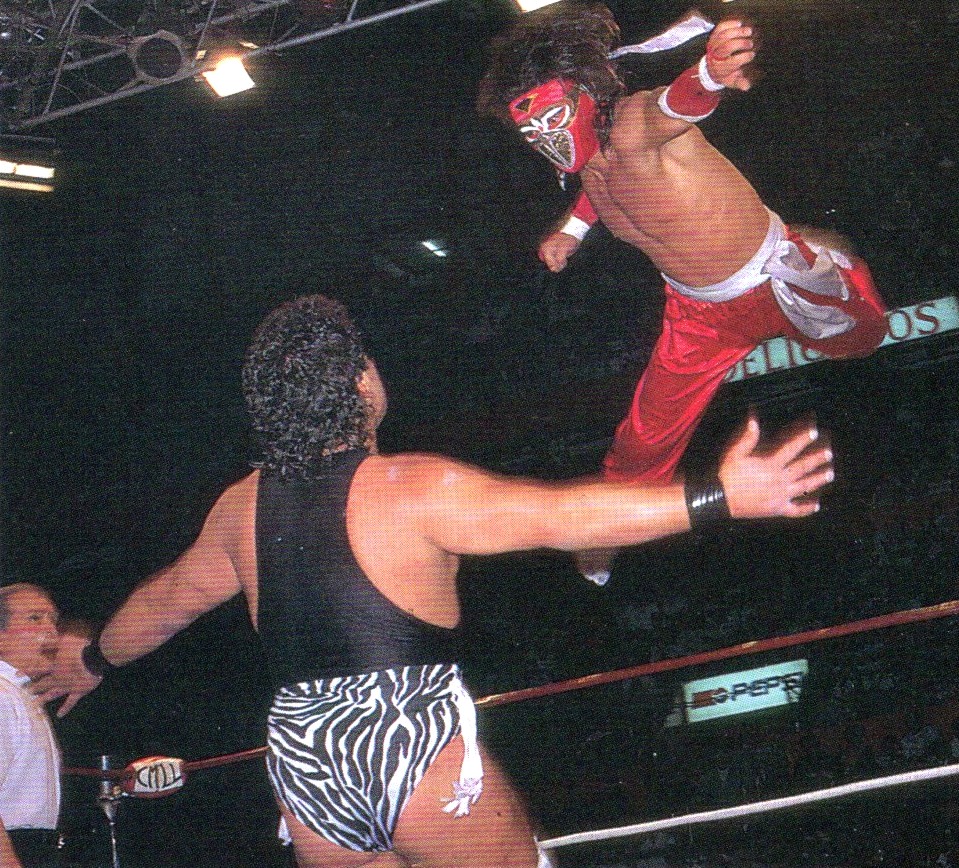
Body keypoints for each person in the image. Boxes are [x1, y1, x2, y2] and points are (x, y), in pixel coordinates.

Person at [36, 295, 834, 868]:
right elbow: (561, 517)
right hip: (407, 738)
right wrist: (719, 496)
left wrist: (94, 659)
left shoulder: (239, 508)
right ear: (360, 382)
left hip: (305, 758)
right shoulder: (408, 487)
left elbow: (165, 603)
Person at [476, 2, 887, 581]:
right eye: (532, 130)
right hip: (697, 311)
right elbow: (601, 189)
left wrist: (712, 71)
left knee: (862, 336)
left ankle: (821, 251)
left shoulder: (633, 123)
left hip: (770, 275)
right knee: (643, 439)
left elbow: (677, 103)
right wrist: (572, 230)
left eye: (552, 118)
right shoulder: (590, 161)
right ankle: (604, 536)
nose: (547, 137)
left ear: (585, 94)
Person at [0, 584, 62, 868]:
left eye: (54, 620)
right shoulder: (3, 696)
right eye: (35, 618)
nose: (51, 631)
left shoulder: (21, 694)